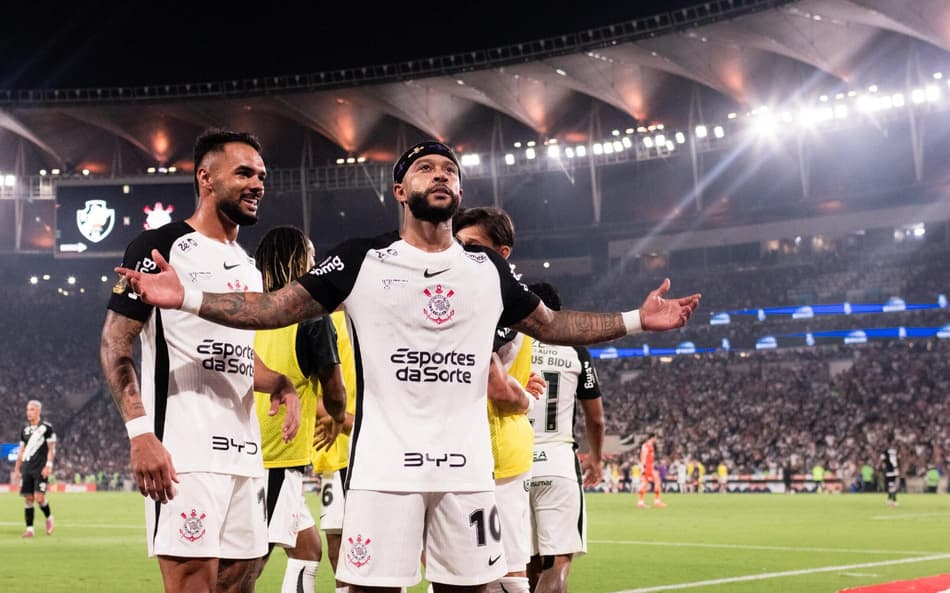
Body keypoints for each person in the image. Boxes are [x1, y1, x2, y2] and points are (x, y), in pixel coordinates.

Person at [113, 140, 701, 593]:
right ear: (399, 190)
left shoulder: (485, 269)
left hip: (468, 473)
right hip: (382, 474)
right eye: (425, 168)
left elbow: (550, 324)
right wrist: (184, 297)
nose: (440, 175)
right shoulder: (359, 259)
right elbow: (274, 308)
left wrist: (635, 320)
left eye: (450, 170)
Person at [100, 129, 302, 593]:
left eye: (262, 176)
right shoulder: (161, 247)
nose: (258, 184)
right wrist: (141, 435)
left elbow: (236, 357)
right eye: (244, 173)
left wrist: (282, 383)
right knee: (193, 585)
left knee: (239, 584)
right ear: (205, 178)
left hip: (247, 455)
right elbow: (115, 344)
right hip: (184, 454)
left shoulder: (249, 266)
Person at [252, 225, 347, 593]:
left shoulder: (253, 309)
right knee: (250, 561)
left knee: (307, 549)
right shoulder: (310, 317)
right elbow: (335, 390)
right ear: (299, 259)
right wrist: (338, 417)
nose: (314, 261)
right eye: (310, 254)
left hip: (255, 445)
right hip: (277, 453)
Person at [454, 206, 540, 593]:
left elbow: (494, 382)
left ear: (502, 253)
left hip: (494, 449)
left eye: (472, 245)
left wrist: (523, 400)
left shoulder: (502, 303)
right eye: (458, 244)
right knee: (488, 567)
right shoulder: (516, 300)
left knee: (499, 570)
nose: (461, 252)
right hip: (492, 447)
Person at [523, 281, 606, 593]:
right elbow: (595, 419)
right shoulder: (575, 350)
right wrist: (596, 459)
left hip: (514, 462)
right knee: (558, 561)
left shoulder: (511, 344)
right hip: (557, 461)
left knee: (524, 563)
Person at [311, 308, 357, 593]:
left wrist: (347, 420)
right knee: (340, 547)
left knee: (345, 549)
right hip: (334, 453)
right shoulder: (327, 325)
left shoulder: (324, 325)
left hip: (354, 452)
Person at [12, 400, 56, 538]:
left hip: (40, 468)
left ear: (38, 411)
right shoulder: (24, 430)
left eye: (31, 409)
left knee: (39, 497)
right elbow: (21, 451)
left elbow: (51, 449)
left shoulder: (46, 428)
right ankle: (30, 529)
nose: (28, 412)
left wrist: (49, 465)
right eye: (27, 409)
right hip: (27, 467)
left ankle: (49, 517)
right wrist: (17, 469)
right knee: (28, 498)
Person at [637, 434, 665, 508]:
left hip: (650, 467)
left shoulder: (651, 446)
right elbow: (643, 457)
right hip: (647, 467)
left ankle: (656, 501)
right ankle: (641, 503)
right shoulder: (646, 446)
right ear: (652, 438)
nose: (656, 440)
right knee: (645, 484)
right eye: (655, 438)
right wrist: (642, 467)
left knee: (656, 481)